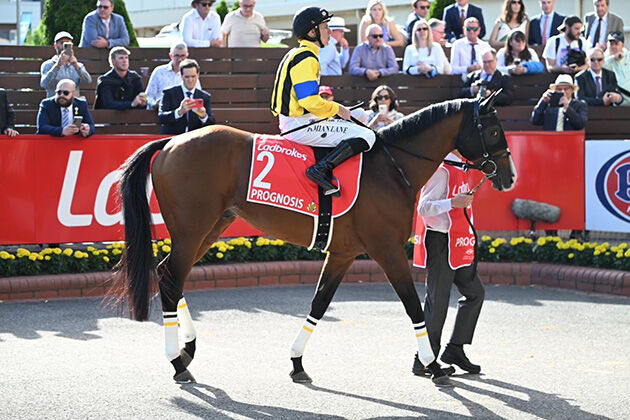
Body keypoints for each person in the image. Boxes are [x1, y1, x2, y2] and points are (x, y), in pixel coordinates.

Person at [271, 6, 376, 197]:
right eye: (325, 27)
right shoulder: (306, 58)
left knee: (360, 115)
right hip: (299, 126)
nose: (330, 32)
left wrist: (339, 110)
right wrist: (337, 109)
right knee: (368, 136)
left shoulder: (303, 53)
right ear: (312, 33)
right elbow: (309, 102)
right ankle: (321, 169)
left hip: (301, 121)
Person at [413, 149, 484, 376]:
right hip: (441, 240)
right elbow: (423, 207)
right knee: (438, 301)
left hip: (459, 240)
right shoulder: (441, 169)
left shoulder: (461, 166)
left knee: (475, 293)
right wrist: (453, 202)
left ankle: (455, 349)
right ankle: (423, 359)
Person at [158, 59, 214, 135]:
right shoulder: (169, 93)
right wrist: (179, 112)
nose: (190, 80)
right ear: (181, 76)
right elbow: (161, 118)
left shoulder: (204, 96)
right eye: (187, 77)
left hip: (194, 138)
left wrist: (203, 116)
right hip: (173, 137)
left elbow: (211, 124)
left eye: (193, 76)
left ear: (198, 75)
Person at [145, 42, 200, 110]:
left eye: (182, 56)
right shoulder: (159, 72)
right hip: (161, 111)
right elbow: (148, 96)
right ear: (171, 56)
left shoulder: (191, 73)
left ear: (187, 56)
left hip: (186, 111)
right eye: (177, 56)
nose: (180, 59)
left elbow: (198, 95)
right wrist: (154, 104)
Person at [41, 31, 92, 99]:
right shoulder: (48, 65)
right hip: (55, 102)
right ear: (55, 46)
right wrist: (57, 65)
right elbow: (44, 84)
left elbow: (88, 81)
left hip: (73, 102)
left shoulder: (78, 65)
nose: (64, 46)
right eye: (62, 43)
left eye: (68, 43)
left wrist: (76, 66)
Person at [604, 32, 630, 105]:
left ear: (622, 45)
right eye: (611, 44)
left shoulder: (628, 56)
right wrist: (613, 58)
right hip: (616, 99)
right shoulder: (602, 58)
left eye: (616, 44)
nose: (613, 46)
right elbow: (599, 66)